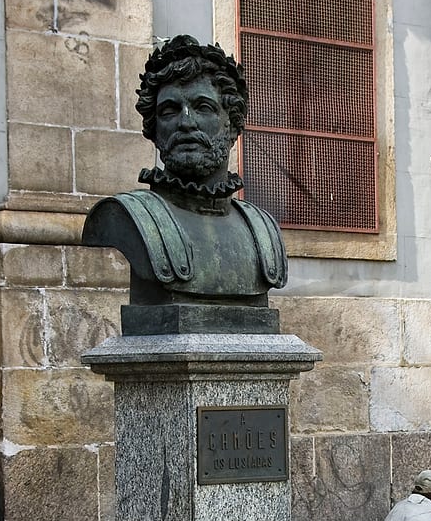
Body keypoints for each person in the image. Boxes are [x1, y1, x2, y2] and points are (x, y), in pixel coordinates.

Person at [82, 35, 287, 334]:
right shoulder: (124, 217)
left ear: (232, 124)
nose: (186, 122)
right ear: (154, 129)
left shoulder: (263, 230)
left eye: (203, 107)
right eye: (169, 111)